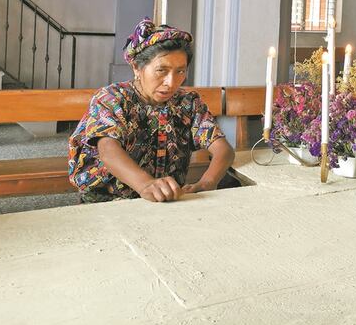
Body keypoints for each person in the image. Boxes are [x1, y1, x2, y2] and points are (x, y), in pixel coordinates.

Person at [69, 18, 235, 203]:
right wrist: (146, 184)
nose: (171, 83)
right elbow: (108, 149)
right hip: (109, 202)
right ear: (137, 68)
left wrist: (207, 182)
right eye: (161, 70)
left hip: (165, 201)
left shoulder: (187, 103)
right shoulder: (112, 98)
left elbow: (222, 149)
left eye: (180, 71)